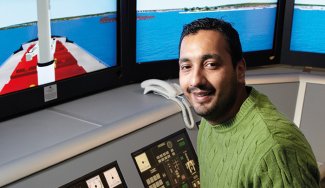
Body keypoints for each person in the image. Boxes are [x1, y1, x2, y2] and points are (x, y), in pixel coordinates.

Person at [178, 17, 320, 187]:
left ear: (239, 71)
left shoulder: (276, 151)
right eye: (186, 67)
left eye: (211, 64)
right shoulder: (212, 119)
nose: (195, 80)